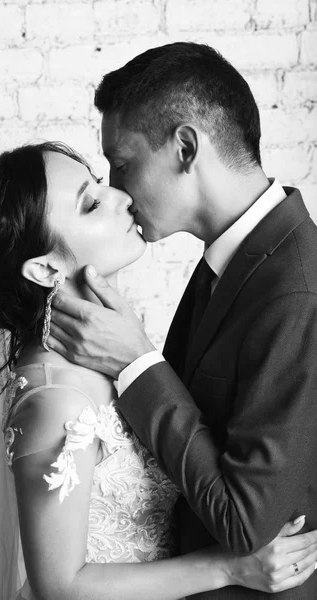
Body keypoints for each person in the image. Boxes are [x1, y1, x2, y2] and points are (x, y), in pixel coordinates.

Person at [0, 141, 316, 600]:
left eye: (103, 185)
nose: (123, 198)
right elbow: (60, 585)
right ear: (46, 269)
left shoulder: (107, 353)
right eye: (92, 203)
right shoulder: (54, 398)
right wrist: (227, 568)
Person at [45, 42, 317, 599]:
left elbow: (247, 525)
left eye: (122, 163)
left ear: (185, 147)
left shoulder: (295, 290)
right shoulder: (232, 257)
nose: (116, 190)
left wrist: (137, 362)